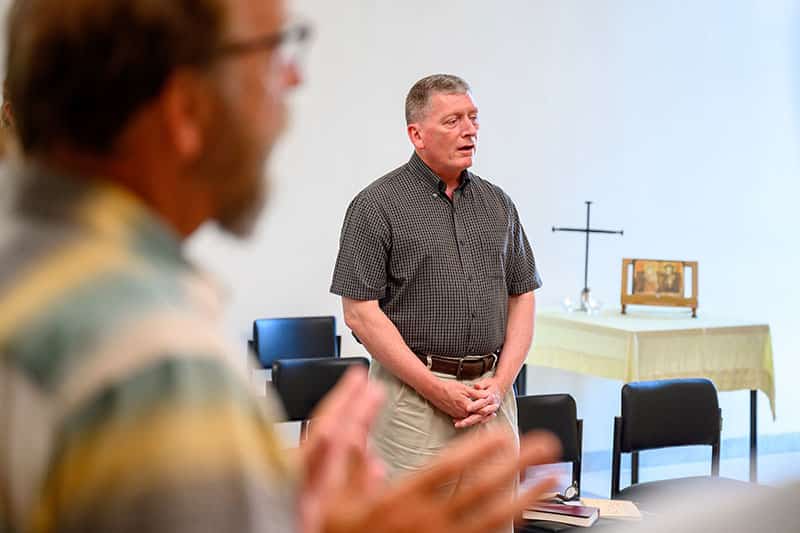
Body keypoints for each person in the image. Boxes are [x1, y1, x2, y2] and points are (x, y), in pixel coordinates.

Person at [0, 1, 561, 532]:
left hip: (490, 401)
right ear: (186, 106)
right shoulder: (151, 355)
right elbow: (361, 311)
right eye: (272, 55)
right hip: (416, 410)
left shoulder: (36, 278)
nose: (293, 79)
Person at [331, 74, 542, 531]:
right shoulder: (376, 206)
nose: (470, 130)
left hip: (489, 398)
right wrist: (435, 388)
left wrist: (501, 383)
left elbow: (523, 294)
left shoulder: (498, 204)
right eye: (453, 120)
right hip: (412, 401)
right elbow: (360, 314)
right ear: (417, 134)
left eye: (473, 118)